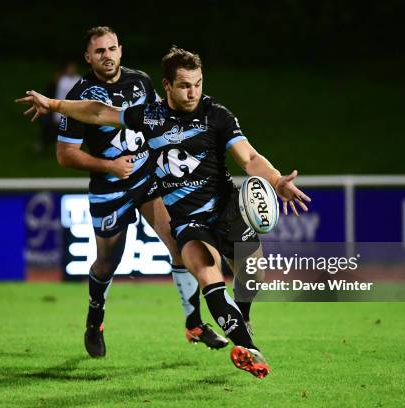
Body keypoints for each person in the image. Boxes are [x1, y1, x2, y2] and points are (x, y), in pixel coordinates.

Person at [16, 46, 311, 378]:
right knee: (206, 274)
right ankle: (248, 348)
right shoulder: (150, 116)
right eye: (185, 85)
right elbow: (99, 112)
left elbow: (250, 157)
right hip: (187, 220)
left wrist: (275, 179)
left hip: (227, 209)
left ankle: (240, 316)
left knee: (254, 274)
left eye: (198, 84)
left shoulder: (217, 115)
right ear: (167, 85)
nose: (193, 92)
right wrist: (54, 104)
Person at [52, 28, 227, 358]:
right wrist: (110, 167)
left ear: (121, 51)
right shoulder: (79, 97)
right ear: (88, 57)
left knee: (180, 243)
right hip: (109, 188)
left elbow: (158, 123)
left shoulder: (141, 82)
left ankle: (194, 323)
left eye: (112, 48)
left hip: (148, 178)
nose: (107, 54)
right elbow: (65, 155)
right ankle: (95, 320)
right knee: (107, 264)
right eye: (99, 50)